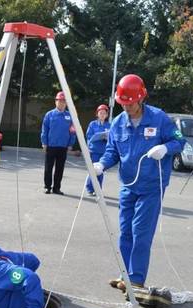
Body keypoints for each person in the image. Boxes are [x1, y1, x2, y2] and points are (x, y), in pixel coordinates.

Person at [92, 74, 185, 290]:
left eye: (131, 103)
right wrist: (102, 165)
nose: (127, 107)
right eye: (123, 103)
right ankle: (124, 274)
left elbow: (180, 140)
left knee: (140, 232)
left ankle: (136, 278)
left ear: (141, 98)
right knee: (125, 231)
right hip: (128, 185)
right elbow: (112, 151)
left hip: (152, 186)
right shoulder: (117, 123)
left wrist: (166, 148)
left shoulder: (159, 118)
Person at [41, 91, 76, 195]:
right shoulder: (49, 115)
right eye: (59, 101)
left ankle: (57, 188)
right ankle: (47, 187)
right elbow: (45, 129)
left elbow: (73, 131)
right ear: (55, 102)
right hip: (51, 146)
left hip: (63, 147)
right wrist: (44, 142)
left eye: (63, 101)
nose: (61, 103)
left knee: (60, 169)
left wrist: (71, 144)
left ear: (66, 103)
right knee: (48, 168)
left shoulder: (70, 116)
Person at [85, 104, 111, 196]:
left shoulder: (109, 125)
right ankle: (89, 188)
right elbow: (89, 137)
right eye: (101, 113)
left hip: (103, 151)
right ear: (97, 114)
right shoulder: (92, 124)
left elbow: (112, 138)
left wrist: (106, 137)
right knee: (93, 170)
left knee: (100, 171)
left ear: (107, 115)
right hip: (94, 151)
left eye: (104, 113)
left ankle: (98, 189)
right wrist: (98, 136)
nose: (102, 115)